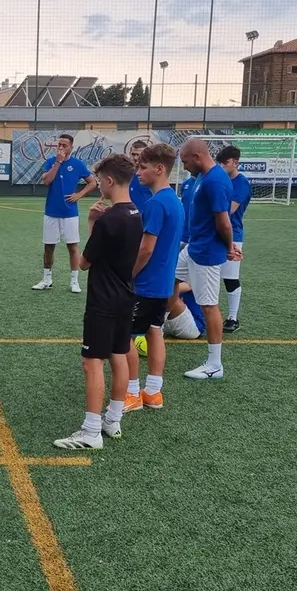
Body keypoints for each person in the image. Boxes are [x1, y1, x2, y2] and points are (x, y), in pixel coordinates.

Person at [53, 154, 141, 450]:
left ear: (109, 180)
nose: (98, 185)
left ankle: (90, 432)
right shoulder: (135, 214)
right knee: (119, 355)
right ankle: (112, 420)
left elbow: (84, 263)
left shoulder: (109, 220)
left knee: (92, 362)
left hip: (103, 300)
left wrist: (91, 222)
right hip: (125, 297)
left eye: (100, 179)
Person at [125, 143, 184, 413]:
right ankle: (153, 391)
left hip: (146, 285)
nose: (138, 171)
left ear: (159, 169)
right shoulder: (175, 200)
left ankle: (132, 392)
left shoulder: (156, 203)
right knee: (154, 331)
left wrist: (129, 274)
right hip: (162, 284)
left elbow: (146, 248)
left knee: (122, 336)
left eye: (143, 167)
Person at [176, 138, 241, 380]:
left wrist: (229, 247)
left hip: (206, 253)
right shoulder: (203, 176)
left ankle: (215, 365)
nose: (184, 167)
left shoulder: (215, 180)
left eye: (185, 161)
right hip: (193, 247)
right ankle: (154, 327)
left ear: (197, 156)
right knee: (167, 282)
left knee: (209, 305)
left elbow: (223, 222)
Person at [33, 134, 95, 293]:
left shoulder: (77, 164)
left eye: (64, 145)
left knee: (72, 247)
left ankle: (74, 281)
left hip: (70, 213)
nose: (60, 147)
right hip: (51, 212)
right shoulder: (50, 162)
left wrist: (79, 195)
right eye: (59, 145)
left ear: (71, 148)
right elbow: (47, 180)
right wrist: (58, 162)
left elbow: (93, 182)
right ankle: (47, 279)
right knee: (49, 246)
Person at [216, 146, 251, 333]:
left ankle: (232, 317)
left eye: (225, 163)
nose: (221, 166)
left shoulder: (241, 183)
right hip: (215, 233)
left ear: (235, 162)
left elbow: (229, 210)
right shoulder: (220, 180)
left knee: (229, 278)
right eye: (219, 163)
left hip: (233, 235)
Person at [127, 140, 154, 212]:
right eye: (133, 154)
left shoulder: (152, 175)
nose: (135, 158)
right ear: (129, 154)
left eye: (138, 154)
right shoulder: (126, 174)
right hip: (129, 218)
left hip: (146, 217)